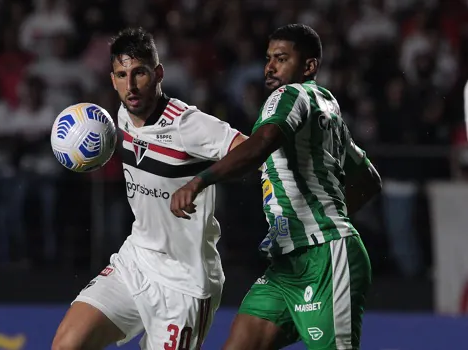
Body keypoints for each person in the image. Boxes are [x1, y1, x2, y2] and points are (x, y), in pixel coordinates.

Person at [171, 24, 382, 350]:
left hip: (324, 259)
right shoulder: (328, 110)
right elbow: (369, 180)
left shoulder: (291, 94)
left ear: (308, 66)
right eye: (268, 58)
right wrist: (324, 216)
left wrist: (201, 180)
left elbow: (262, 143)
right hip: (287, 266)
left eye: (281, 58)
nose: (269, 66)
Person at [52, 27, 246, 350]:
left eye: (139, 73)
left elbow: (250, 149)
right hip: (136, 262)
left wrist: (202, 180)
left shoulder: (187, 125)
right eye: (121, 75)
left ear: (158, 74)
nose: (130, 86)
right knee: (66, 344)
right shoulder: (117, 119)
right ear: (112, 79)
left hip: (186, 283)